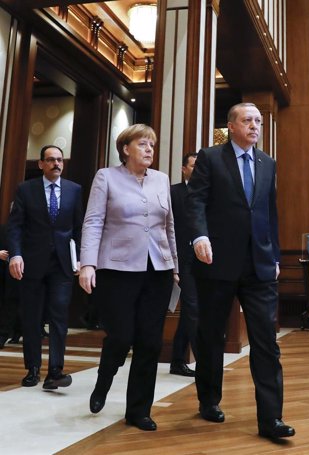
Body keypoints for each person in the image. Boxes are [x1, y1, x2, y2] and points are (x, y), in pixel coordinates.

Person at [186, 102, 294, 439]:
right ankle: (209, 399)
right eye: (248, 120)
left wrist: (274, 256)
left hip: (259, 265)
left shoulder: (267, 163)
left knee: (266, 341)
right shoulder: (210, 157)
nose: (255, 126)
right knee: (211, 335)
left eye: (258, 121)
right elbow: (196, 201)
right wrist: (199, 235)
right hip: (217, 261)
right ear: (231, 126)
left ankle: (271, 419)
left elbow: (269, 213)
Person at [79, 124, 178, 432]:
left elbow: (169, 226)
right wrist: (87, 264)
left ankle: (138, 411)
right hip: (117, 270)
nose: (149, 149)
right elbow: (94, 221)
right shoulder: (106, 177)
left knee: (150, 343)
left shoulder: (161, 180)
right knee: (121, 336)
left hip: (157, 271)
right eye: (143, 144)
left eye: (152, 145)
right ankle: (104, 378)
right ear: (126, 149)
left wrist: (175, 265)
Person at [7, 145, 83, 389]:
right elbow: (16, 226)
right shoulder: (26, 190)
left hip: (62, 264)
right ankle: (33, 369)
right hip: (32, 262)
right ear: (41, 164)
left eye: (59, 160)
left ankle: (55, 371)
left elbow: (80, 227)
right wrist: (15, 255)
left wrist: (81, 257)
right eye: (50, 160)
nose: (56, 164)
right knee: (32, 317)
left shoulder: (74, 190)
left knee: (59, 316)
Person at [169, 152, 198, 377]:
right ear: (184, 169)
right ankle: (184, 359)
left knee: (193, 310)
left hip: (203, 260)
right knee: (191, 308)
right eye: (193, 166)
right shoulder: (173, 192)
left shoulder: (208, 192)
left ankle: (177, 360)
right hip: (180, 259)